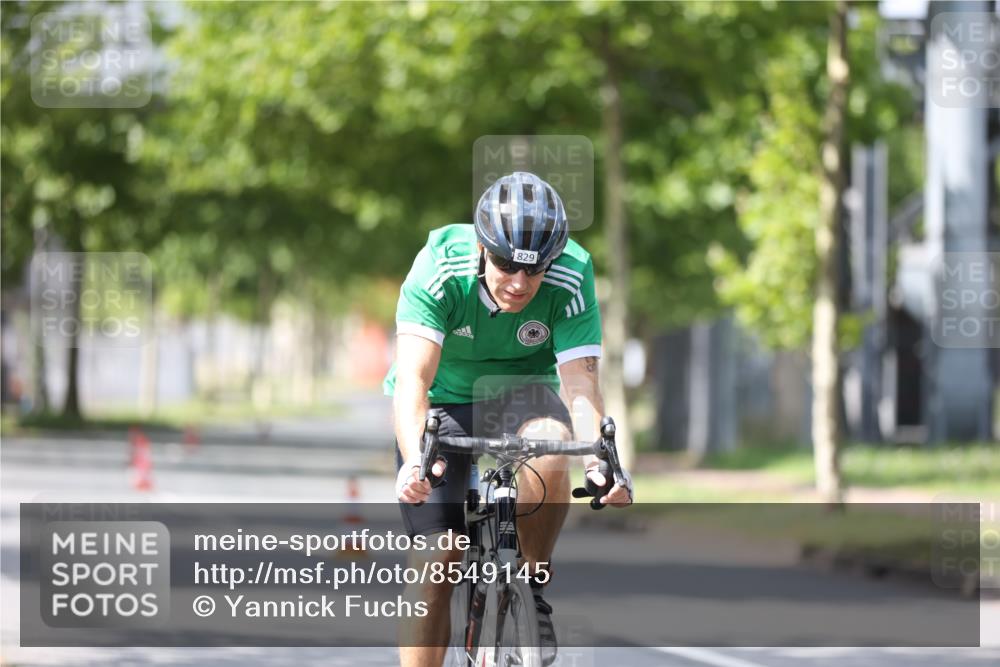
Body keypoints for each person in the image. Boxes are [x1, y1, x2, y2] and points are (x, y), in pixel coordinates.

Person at [384, 171, 633, 667]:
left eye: (534, 269)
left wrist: (598, 463)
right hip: (443, 399)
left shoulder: (572, 272)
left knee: (552, 444)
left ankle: (532, 588)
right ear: (481, 246)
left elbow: (581, 383)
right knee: (437, 561)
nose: (519, 284)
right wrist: (415, 460)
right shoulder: (439, 266)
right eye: (504, 265)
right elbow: (414, 378)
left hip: (524, 394)